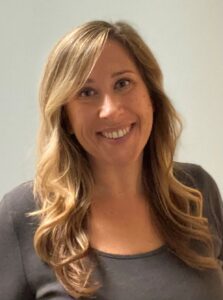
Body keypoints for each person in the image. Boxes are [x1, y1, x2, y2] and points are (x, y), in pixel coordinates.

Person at [0, 20, 222, 300]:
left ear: (150, 96)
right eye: (86, 92)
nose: (111, 109)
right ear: (65, 116)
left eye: (123, 83)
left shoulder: (197, 192)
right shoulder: (21, 215)